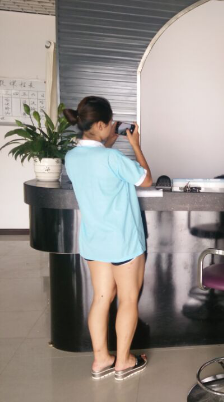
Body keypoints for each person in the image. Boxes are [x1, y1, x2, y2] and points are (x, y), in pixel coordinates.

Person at [63, 96, 152, 380]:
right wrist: (135, 145)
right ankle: (123, 361)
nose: (113, 126)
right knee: (128, 298)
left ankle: (101, 360)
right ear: (100, 124)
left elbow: (99, 166)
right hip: (122, 240)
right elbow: (145, 180)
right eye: (110, 123)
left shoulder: (72, 156)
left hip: (94, 241)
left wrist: (109, 142)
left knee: (101, 298)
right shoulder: (112, 158)